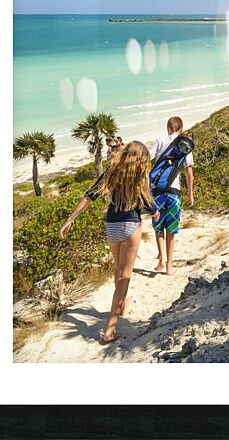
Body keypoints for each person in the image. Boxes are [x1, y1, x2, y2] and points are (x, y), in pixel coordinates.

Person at [59, 140, 158, 344]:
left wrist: (70, 219)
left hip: (111, 227)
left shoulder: (112, 170)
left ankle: (120, 307)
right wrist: (155, 212)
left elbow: (90, 195)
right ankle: (110, 330)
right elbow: (147, 201)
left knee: (118, 269)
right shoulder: (140, 174)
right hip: (131, 226)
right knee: (125, 275)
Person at [147, 116, 194, 275]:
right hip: (174, 192)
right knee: (171, 228)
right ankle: (169, 266)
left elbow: (146, 158)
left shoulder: (159, 140)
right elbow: (189, 172)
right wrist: (190, 195)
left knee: (158, 226)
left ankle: (161, 260)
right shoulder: (185, 145)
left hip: (157, 191)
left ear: (168, 128)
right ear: (181, 129)